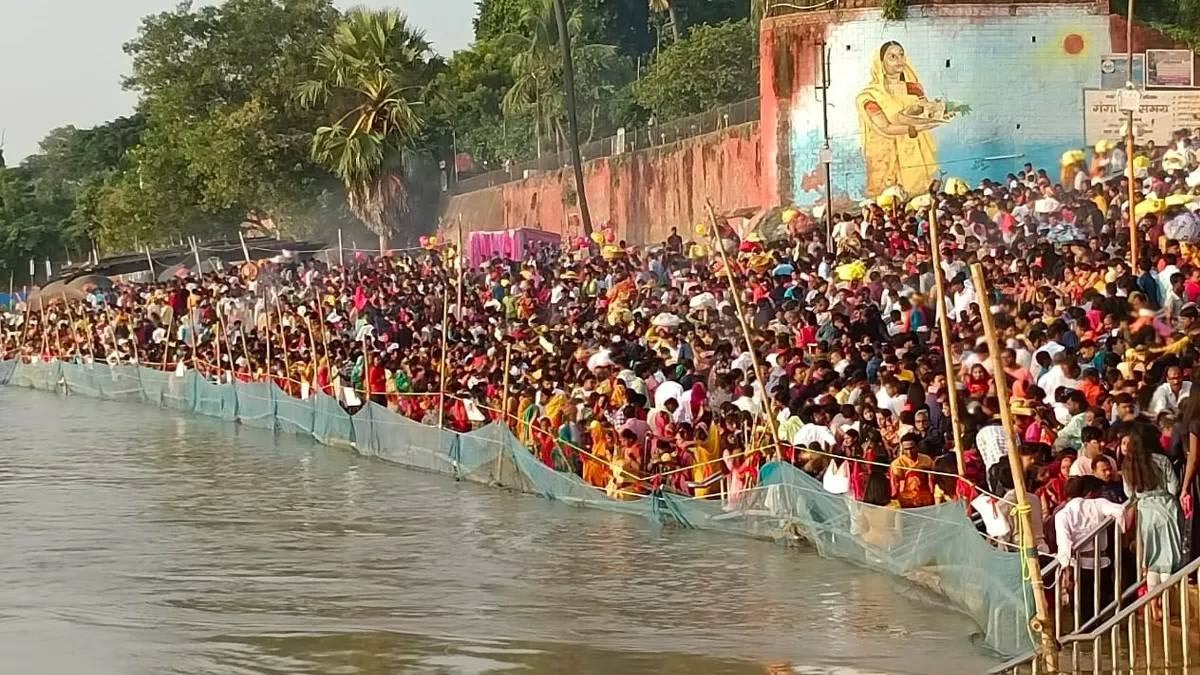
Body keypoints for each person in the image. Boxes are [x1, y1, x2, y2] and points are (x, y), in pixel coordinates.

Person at [855, 41, 944, 196]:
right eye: (893, 56)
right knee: (891, 199)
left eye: (901, 55)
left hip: (915, 154)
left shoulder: (914, 89)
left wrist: (936, 110)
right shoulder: (868, 96)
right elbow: (885, 127)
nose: (899, 60)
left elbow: (924, 111)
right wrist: (917, 127)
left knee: (920, 196)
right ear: (881, 63)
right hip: (886, 158)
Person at [1121, 433, 1184, 614]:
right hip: (1166, 508)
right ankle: (1165, 604)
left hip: (1145, 511)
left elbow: (1128, 493)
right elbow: (1173, 487)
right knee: (1168, 557)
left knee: (1152, 558)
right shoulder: (1162, 459)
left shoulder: (1127, 464)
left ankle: (1153, 605)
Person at [1054, 475, 1127, 625]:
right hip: (1102, 561)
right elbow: (1120, 510)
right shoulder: (1098, 504)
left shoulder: (1062, 514)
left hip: (1079, 564)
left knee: (1082, 607)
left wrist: (1066, 570)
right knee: (1101, 602)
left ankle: (1085, 634)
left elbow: (1064, 543)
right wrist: (1121, 533)